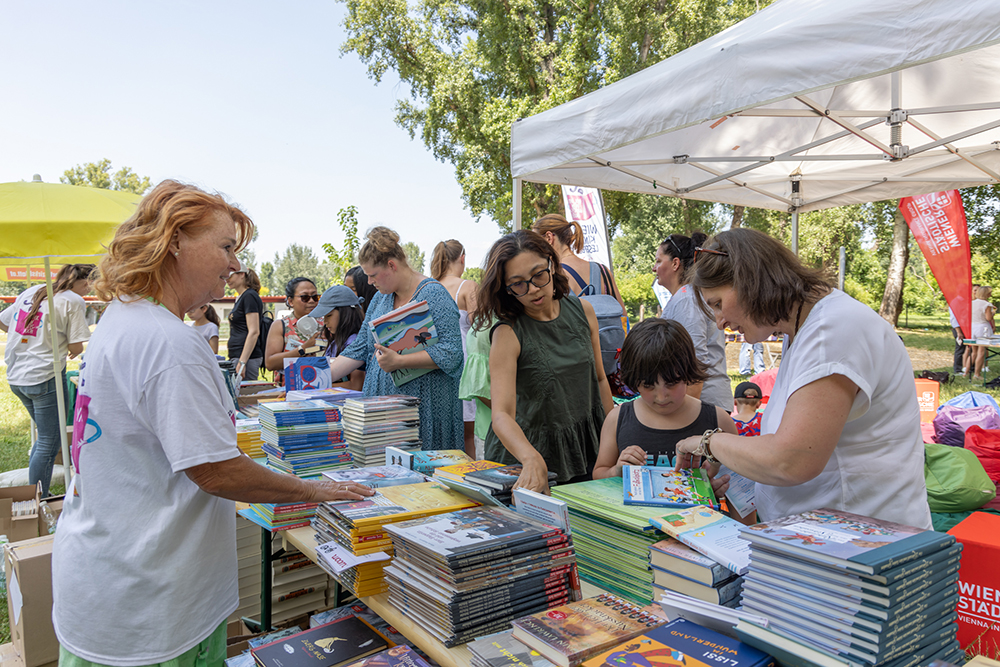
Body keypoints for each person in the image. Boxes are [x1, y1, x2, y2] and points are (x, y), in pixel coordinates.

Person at [50, 180, 374, 667]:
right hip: (153, 612)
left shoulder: (124, 319)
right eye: (225, 246)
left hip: (109, 587)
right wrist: (314, 491)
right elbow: (217, 470)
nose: (235, 265)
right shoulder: (169, 344)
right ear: (174, 239)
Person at [674, 227, 932, 529]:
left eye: (718, 303)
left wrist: (709, 442)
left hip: (861, 544)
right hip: (834, 540)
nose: (720, 323)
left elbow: (790, 460)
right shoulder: (808, 327)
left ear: (749, 281)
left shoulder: (832, 332)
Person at [472, 230, 614, 492]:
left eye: (539, 274)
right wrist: (531, 458)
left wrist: (614, 438)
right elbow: (501, 414)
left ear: (551, 263)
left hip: (587, 449)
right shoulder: (507, 333)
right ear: (506, 289)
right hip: (526, 456)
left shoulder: (584, 312)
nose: (534, 289)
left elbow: (600, 378)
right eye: (518, 283)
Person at [327, 227, 465, 449]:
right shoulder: (380, 301)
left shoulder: (434, 294)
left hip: (424, 410)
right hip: (386, 415)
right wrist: (320, 376)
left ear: (391, 265)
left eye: (372, 275)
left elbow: (452, 353)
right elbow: (360, 348)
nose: (370, 282)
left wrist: (400, 362)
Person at [592, 319, 738, 479]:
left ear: (687, 373)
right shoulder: (617, 419)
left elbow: (737, 480)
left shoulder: (719, 421)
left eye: (672, 383)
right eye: (648, 385)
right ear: (633, 380)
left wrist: (716, 487)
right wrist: (617, 470)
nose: (661, 396)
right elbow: (599, 473)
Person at [0, 263, 94, 497]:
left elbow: (4, 321)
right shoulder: (73, 299)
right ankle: (38, 496)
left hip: (17, 375)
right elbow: (76, 346)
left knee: (45, 438)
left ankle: (35, 490)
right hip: (45, 375)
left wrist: (27, 343)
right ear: (85, 282)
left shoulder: (34, 290)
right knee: (50, 441)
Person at [656, 232, 733, 411]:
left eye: (659, 261)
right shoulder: (687, 297)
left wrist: (686, 415)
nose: (654, 268)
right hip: (704, 404)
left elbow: (695, 362)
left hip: (704, 405)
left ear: (675, 263)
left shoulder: (687, 299)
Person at [431, 239, 478, 456]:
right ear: (462, 258)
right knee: (469, 434)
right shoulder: (467, 287)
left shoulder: (431, 288)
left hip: (437, 367)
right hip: (466, 367)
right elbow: (481, 330)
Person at [532, 213, 625, 311]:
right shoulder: (603, 271)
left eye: (536, 243)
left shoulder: (552, 275)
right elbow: (623, 317)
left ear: (549, 238)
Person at [264, 277, 321, 383]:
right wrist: (303, 349)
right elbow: (270, 363)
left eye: (315, 296)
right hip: (287, 391)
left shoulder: (327, 324)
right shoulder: (280, 326)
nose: (312, 301)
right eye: (305, 297)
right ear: (290, 301)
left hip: (321, 387)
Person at [311, 284, 366, 391]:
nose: (325, 322)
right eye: (324, 317)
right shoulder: (335, 343)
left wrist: (313, 386)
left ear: (345, 313)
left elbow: (356, 386)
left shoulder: (354, 342)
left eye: (329, 315)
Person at [226, 258, 264, 380]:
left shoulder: (249, 296)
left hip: (247, 358)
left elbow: (254, 331)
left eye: (230, 275)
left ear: (242, 274)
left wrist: (242, 362)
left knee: (246, 397)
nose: (227, 279)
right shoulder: (241, 297)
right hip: (237, 355)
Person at [964, 285, 995, 382]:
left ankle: (966, 372)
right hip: (982, 328)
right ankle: (977, 374)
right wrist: (993, 312)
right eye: (989, 292)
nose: (990, 294)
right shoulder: (987, 305)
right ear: (986, 294)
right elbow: (988, 318)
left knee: (973, 352)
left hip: (973, 328)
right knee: (981, 352)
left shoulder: (971, 303)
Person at [949, 305, 966, 375]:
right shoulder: (956, 303)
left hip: (964, 327)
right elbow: (954, 319)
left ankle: (968, 367)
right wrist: (958, 331)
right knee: (960, 348)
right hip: (959, 329)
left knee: (967, 349)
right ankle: (958, 369)